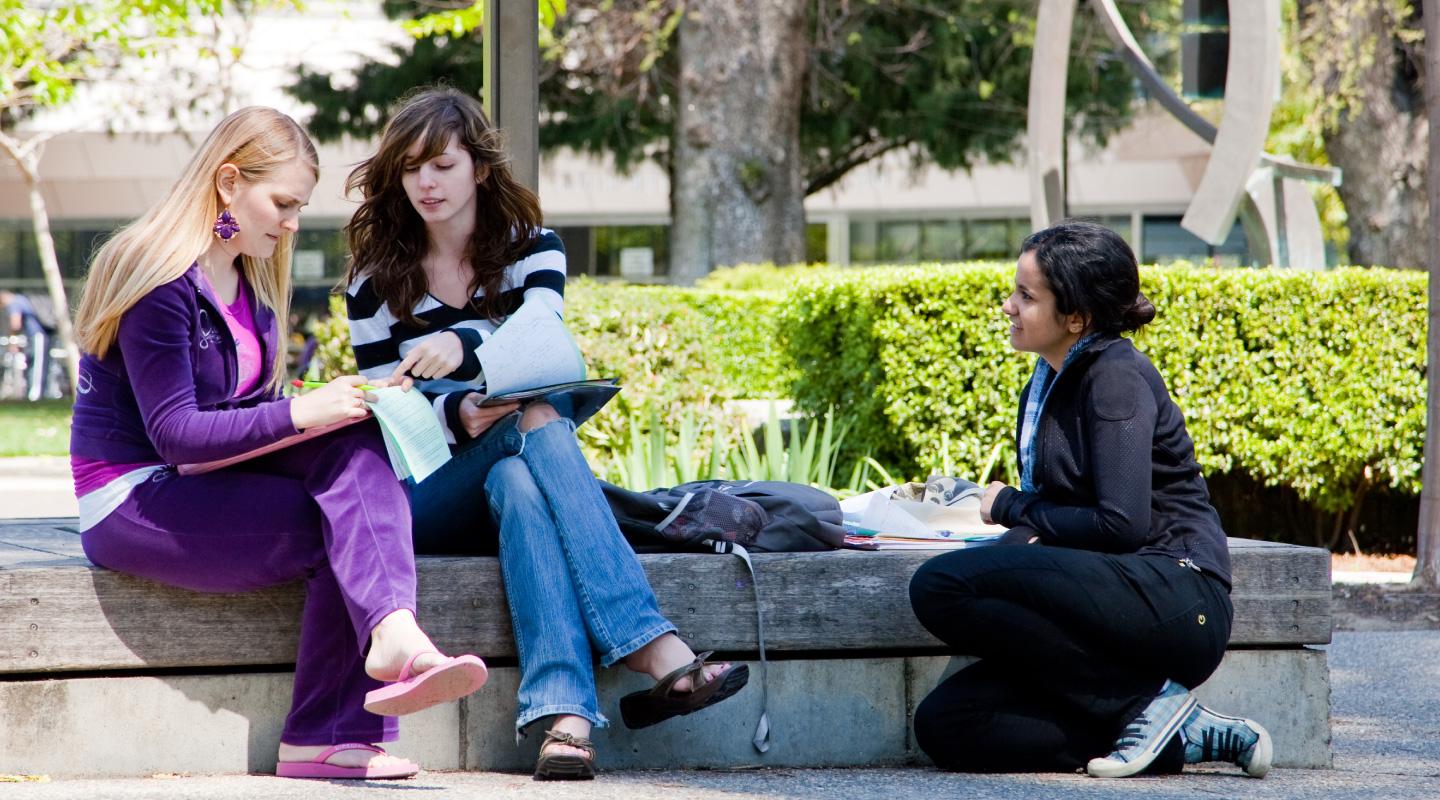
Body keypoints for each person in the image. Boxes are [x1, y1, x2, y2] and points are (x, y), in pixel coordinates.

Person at [69, 106, 488, 781]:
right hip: (132, 500)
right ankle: (350, 702)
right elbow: (177, 437)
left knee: (355, 447)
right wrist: (302, 412)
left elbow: (242, 417)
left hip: (200, 482)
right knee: (343, 508)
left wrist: (335, 408)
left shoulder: (245, 274)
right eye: (284, 202)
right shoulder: (159, 277)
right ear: (228, 182)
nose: (293, 222)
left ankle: (379, 658)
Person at [343, 86, 749, 781]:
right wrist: (458, 413)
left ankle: (564, 722)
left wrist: (465, 343)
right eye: (410, 168)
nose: (426, 183)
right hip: (428, 491)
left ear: (478, 168)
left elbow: (544, 348)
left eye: (441, 164)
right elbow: (386, 412)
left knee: (521, 477)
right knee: (537, 417)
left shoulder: (532, 249)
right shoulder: (375, 282)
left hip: (510, 474)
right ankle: (651, 646)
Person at [907, 220, 1273, 779]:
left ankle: (1144, 703)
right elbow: (1065, 515)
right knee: (948, 723)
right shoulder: (1049, 379)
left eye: (1026, 296)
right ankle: (1182, 733)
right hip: (1106, 608)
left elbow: (1121, 524)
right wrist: (1017, 535)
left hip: (1176, 593)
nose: (1009, 307)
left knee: (939, 585)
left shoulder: (1116, 378)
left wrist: (1009, 508)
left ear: (1076, 317)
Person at [1, 289, 50, 400]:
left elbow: (15, 324)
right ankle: (33, 393)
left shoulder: (14, 303)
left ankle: (35, 395)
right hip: (35, 337)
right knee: (34, 363)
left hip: (37, 336)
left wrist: (12, 341)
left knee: (38, 365)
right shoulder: (21, 299)